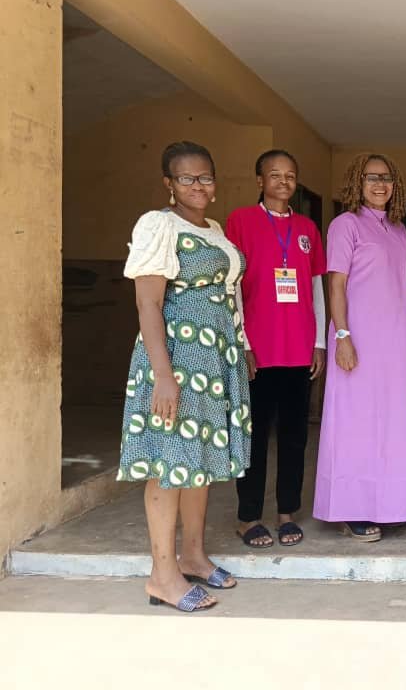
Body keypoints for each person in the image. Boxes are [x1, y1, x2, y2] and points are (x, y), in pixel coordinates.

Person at [118, 141, 250, 612]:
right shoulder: (158, 225)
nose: (199, 186)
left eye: (206, 177)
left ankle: (193, 555)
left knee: (201, 461)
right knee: (170, 464)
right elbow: (148, 303)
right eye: (187, 178)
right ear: (169, 184)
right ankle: (163, 575)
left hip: (216, 362)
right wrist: (163, 374)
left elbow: (229, 298)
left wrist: (243, 348)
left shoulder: (214, 230)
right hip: (176, 359)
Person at [312, 153, 406, 542]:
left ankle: (390, 505)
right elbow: (335, 284)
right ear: (357, 183)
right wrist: (342, 335)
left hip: (392, 343)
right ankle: (350, 508)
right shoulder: (345, 225)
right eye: (371, 177)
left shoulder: (399, 230)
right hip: (356, 340)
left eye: (387, 178)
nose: (380, 184)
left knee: (390, 425)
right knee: (354, 425)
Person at [225, 150, 327, 548]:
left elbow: (317, 285)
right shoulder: (241, 221)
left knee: (294, 436)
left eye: (290, 175)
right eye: (274, 175)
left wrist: (319, 341)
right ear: (259, 180)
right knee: (252, 437)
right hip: (258, 351)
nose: (283, 182)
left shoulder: (307, 229)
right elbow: (231, 285)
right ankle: (248, 516)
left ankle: (287, 512)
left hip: (299, 348)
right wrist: (243, 342)